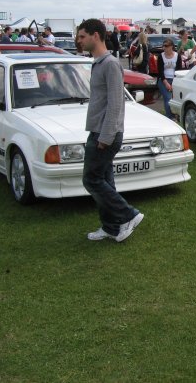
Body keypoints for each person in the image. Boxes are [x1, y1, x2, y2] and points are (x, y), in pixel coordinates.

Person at [76, 18, 143, 242]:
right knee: (105, 180)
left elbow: (116, 104)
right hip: (97, 131)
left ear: (96, 35)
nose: (79, 40)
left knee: (91, 180)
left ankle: (128, 215)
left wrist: (105, 136)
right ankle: (111, 227)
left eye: (83, 36)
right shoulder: (98, 63)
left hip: (105, 134)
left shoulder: (111, 64)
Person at [157, 37, 183, 119]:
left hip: (174, 79)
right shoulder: (161, 56)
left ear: (171, 46)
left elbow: (179, 69)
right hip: (163, 80)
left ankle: (176, 116)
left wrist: (174, 82)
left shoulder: (177, 56)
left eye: (166, 46)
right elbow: (160, 71)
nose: (164, 48)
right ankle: (170, 117)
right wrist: (166, 83)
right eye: (163, 46)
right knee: (168, 98)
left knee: (175, 99)